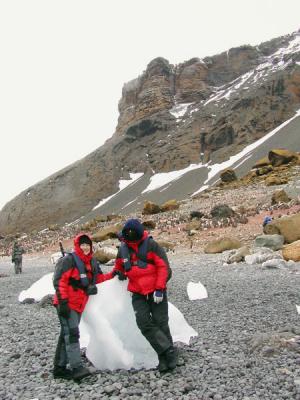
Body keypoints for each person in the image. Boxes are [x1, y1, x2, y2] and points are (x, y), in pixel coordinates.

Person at [111, 218, 177, 373]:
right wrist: (119, 273)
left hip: (156, 290)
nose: (130, 236)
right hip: (137, 292)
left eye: (133, 233)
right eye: (128, 234)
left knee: (161, 322)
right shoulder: (123, 250)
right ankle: (167, 350)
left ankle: (166, 359)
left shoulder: (151, 245)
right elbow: (118, 267)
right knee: (143, 322)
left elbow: (164, 267)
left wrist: (159, 289)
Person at [52, 233, 115, 381]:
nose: (85, 247)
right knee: (72, 333)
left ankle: (59, 368)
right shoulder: (68, 260)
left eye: (88, 245)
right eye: (83, 245)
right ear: (77, 246)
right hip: (67, 303)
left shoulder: (92, 262)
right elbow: (59, 281)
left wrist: (114, 274)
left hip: (79, 303)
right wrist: (63, 303)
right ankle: (77, 368)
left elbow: (98, 278)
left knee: (66, 334)